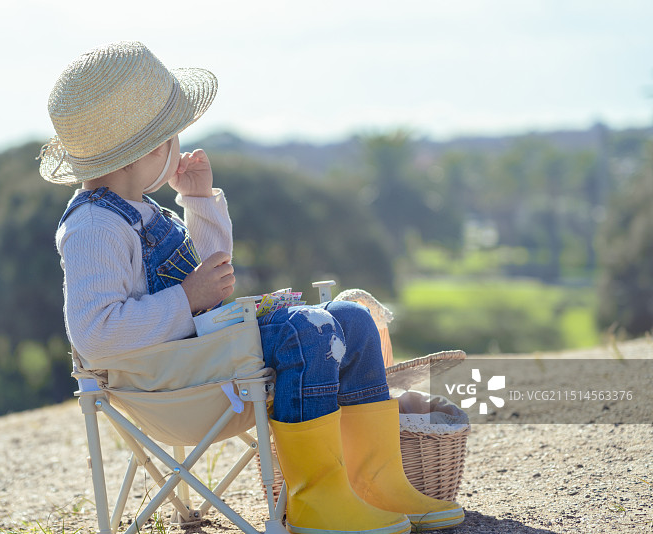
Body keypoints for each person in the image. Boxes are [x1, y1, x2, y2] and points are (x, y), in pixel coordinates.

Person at [39, 41, 463, 534]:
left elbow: (212, 281)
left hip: (207, 363)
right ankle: (314, 498)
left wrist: (196, 202)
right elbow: (94, 333)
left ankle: (374, 481)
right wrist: (187, 298)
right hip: (172, 386)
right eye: (173, 137)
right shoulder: (94, 228)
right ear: (149, 149)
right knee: (308, 329)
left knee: (352, 321)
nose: (178, 146)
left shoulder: (143, 211)